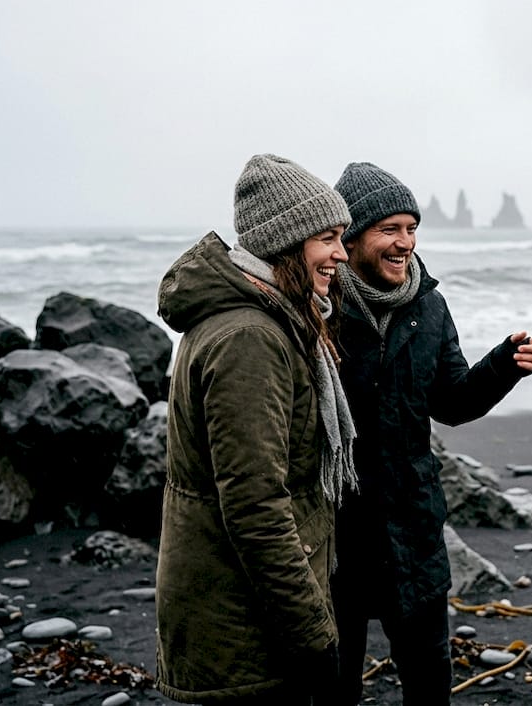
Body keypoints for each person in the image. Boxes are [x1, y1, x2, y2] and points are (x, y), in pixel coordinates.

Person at [328, 161, 532, 705]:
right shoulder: (320, 309)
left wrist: (503, 364)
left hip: (414, 528)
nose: (405, 242)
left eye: (412, 229)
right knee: (332, 689)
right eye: (390, 229)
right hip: (337, 535)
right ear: (351, 236)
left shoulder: (428, 307)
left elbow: (452, 404)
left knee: (429, 684)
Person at [154, 153, 358, 704]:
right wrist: (315, 638)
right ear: (288, 243)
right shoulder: (250, 337)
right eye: (329, 238)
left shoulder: (266, 317)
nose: (342, 253)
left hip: (244, 611)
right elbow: (255, 506)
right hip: (242, 626)